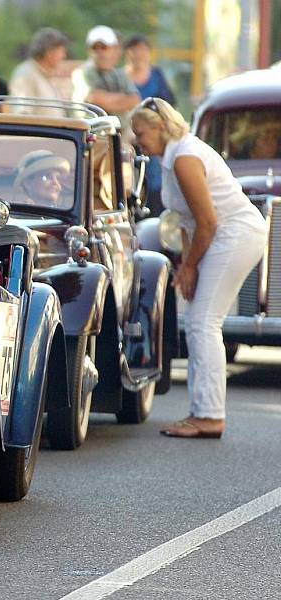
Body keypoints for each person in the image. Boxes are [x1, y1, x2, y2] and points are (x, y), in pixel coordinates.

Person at [130, 98, 268, 438]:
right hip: (224, 233)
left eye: (141, 132)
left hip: (235, 232)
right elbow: (187, 222)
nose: (137, 141)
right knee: (198, 321)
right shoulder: (173, 157)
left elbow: (207, 221)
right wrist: (187, 266)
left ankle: (209, 415)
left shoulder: (186, 157)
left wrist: (190, 267)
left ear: (160, 128)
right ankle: (202, 411)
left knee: (203, 322)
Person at [124, 34, 176, 214]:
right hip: (129, 139)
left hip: (154, 138)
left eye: (142, 50)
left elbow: (168, 104)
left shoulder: (157, 76)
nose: (138, 55)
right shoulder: (121, 77)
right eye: (134, 50)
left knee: (155, 179)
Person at [72, 25, 140, 132]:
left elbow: (135, 100)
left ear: (113, 49)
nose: (100, 53)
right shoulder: (82, 72)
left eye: (104, 48)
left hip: (117, 135)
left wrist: (109, 99)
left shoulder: (118, 74)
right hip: (92, 135)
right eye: (95, 48)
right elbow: (95, 98)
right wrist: (122, 98)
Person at [9, 28, 70, 116]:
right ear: (49, 52)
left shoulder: (44, 75)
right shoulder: (26, 74)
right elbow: (22, 115)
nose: (64, 56)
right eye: (61, 51)